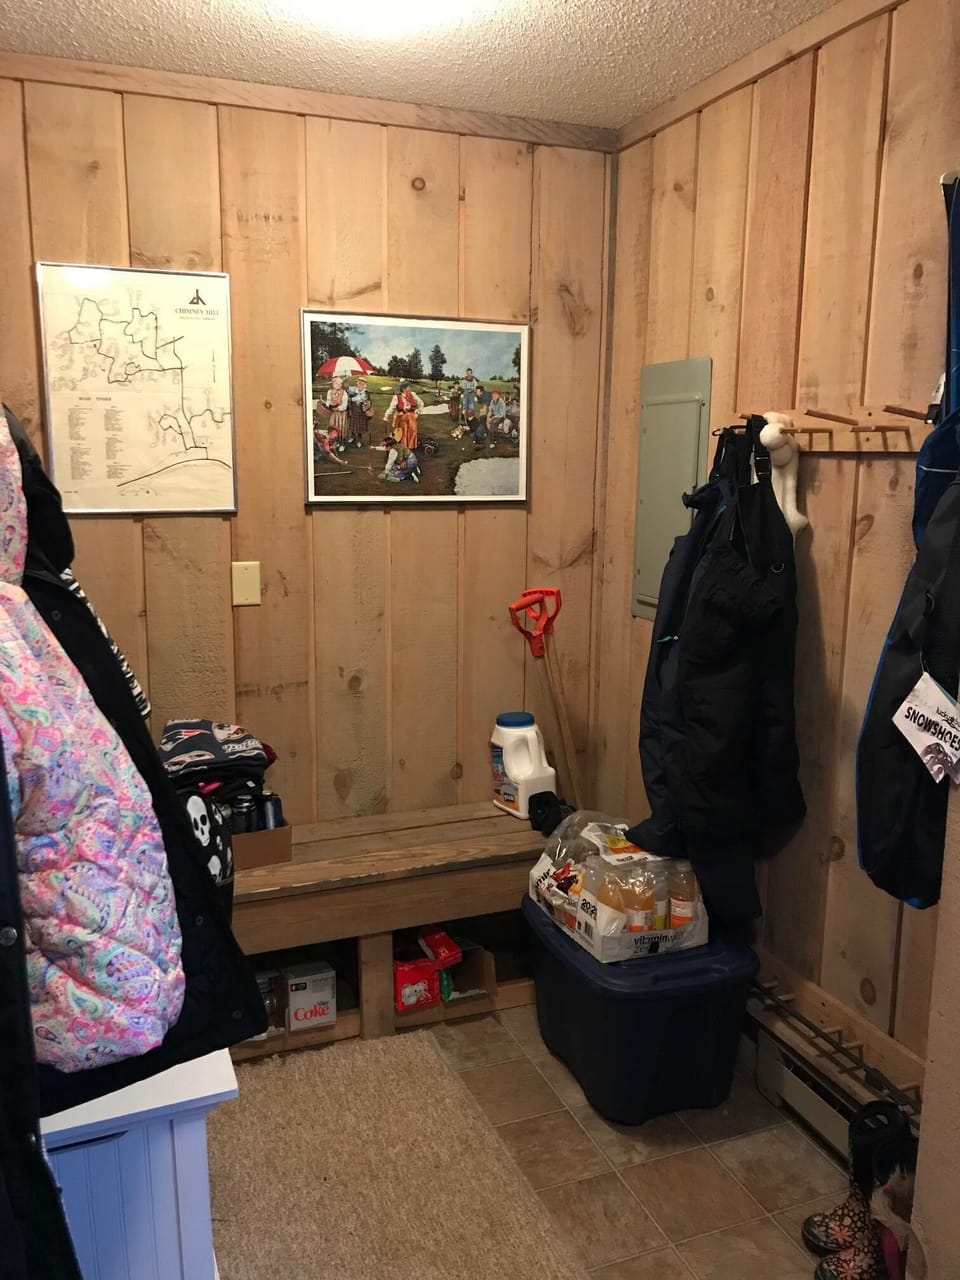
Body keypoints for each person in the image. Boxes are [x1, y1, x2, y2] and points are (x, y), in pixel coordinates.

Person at [384, 381, 423, 449]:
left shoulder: (413, 394)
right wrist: (386, 416)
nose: (409, 389)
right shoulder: (397, 397)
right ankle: (403, 447)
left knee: (412, 430)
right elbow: (391, 407)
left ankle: (411, 447)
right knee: (403, 432)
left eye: (409, 387)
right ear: (403, 388)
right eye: (408, 387)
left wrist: (417, 412)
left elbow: (421, 403)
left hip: (411, 417)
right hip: (402, 417)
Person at [323, 375, 349, 450]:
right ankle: (334, 442)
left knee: (341, 427)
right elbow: (328, 400)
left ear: (342, 385)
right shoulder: (330, 392)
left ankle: (342, 443)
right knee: (333, 427)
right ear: (333, 384)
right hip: (333, 414)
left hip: (341, 414)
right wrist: (329, 405)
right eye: (336, 383)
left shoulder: (344, 393)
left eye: (340, 384)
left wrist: (339, 408)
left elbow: (345, 404)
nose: (338, 385)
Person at [347, 377, 373, 448]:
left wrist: (366, 404)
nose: (360, 385)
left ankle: (359, 440)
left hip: (362, 411)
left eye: (362, 384)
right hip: (354, 410)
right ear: (357, 384)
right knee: (353, 424)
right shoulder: (353, 391)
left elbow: (367, 401)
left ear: (364, 385)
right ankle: (352, 437)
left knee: (360, 427)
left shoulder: (366, 392)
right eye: (359, 383)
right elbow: (348, 396)